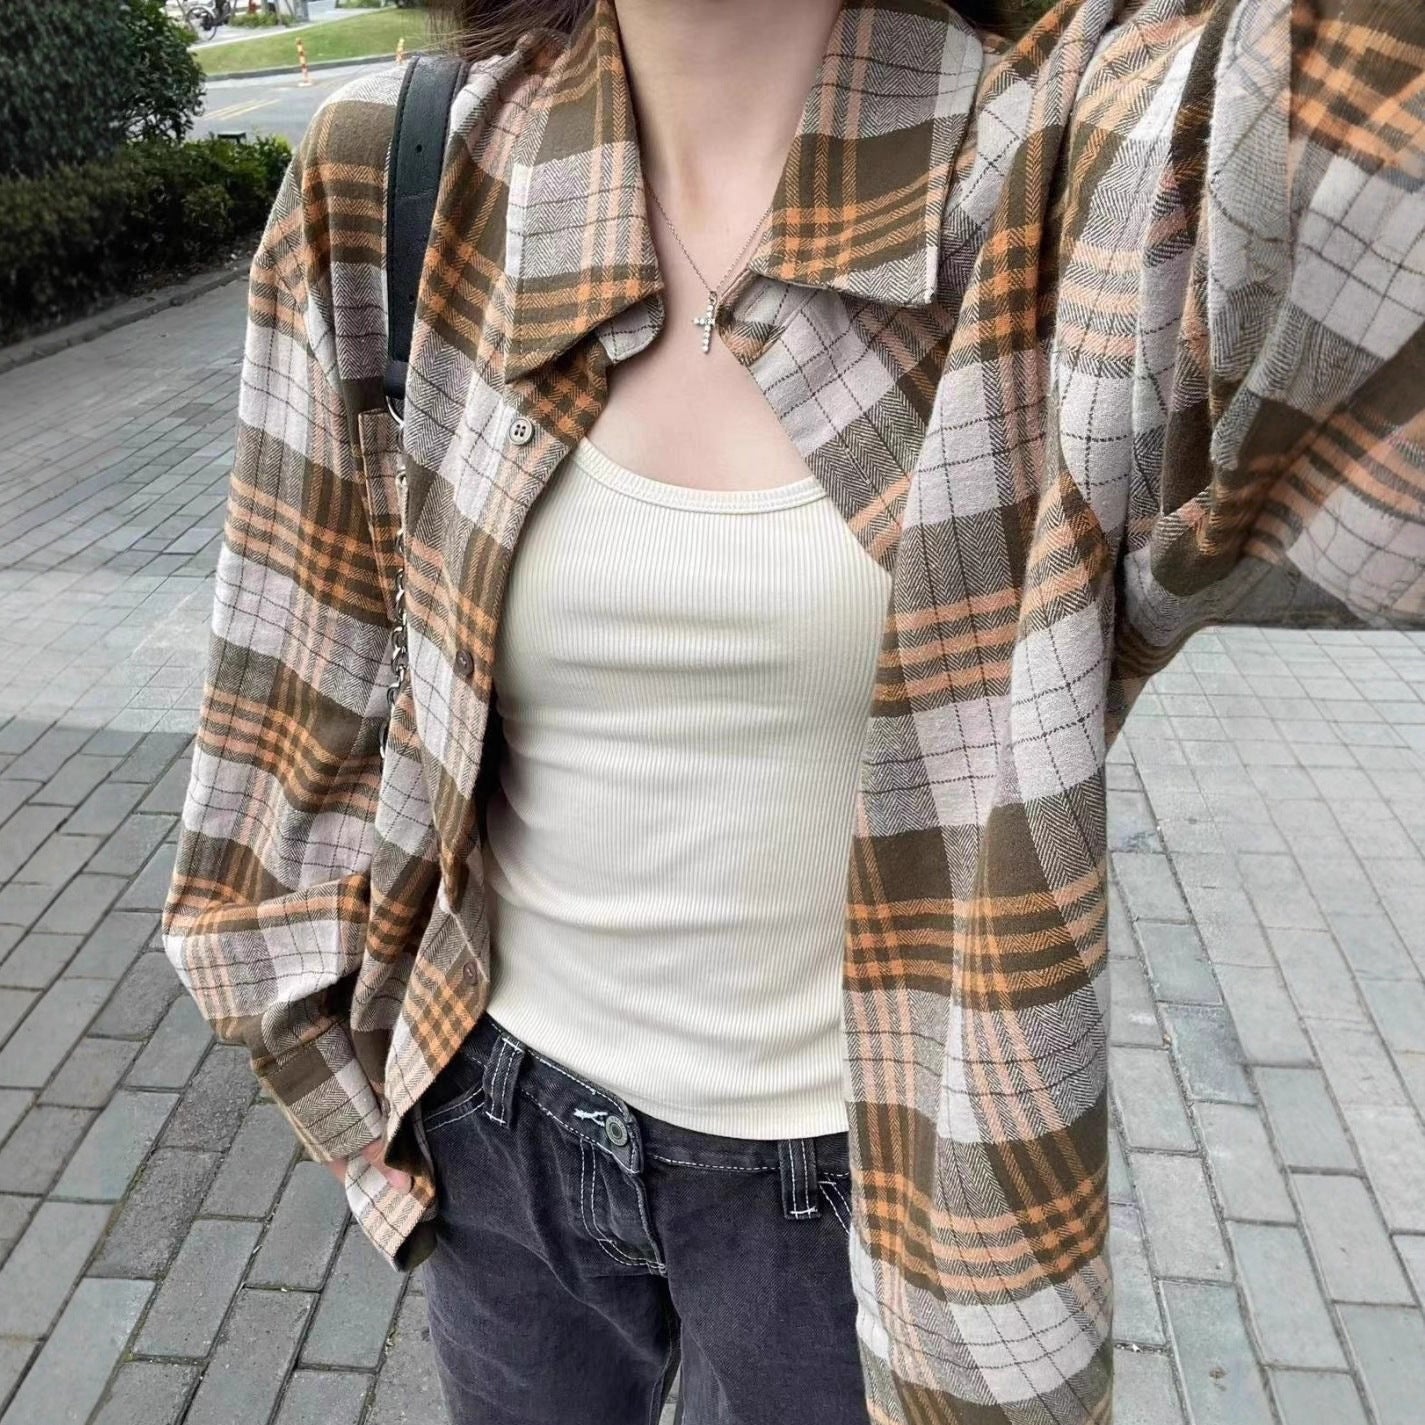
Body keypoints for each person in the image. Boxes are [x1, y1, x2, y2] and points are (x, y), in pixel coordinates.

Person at [162, 0, 1425, 1420]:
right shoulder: (402, 178)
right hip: (491, 1119)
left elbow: (1356, 177)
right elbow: (298, 683)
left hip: (857, 1196)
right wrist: (345, 1092)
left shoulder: (1075, 177)